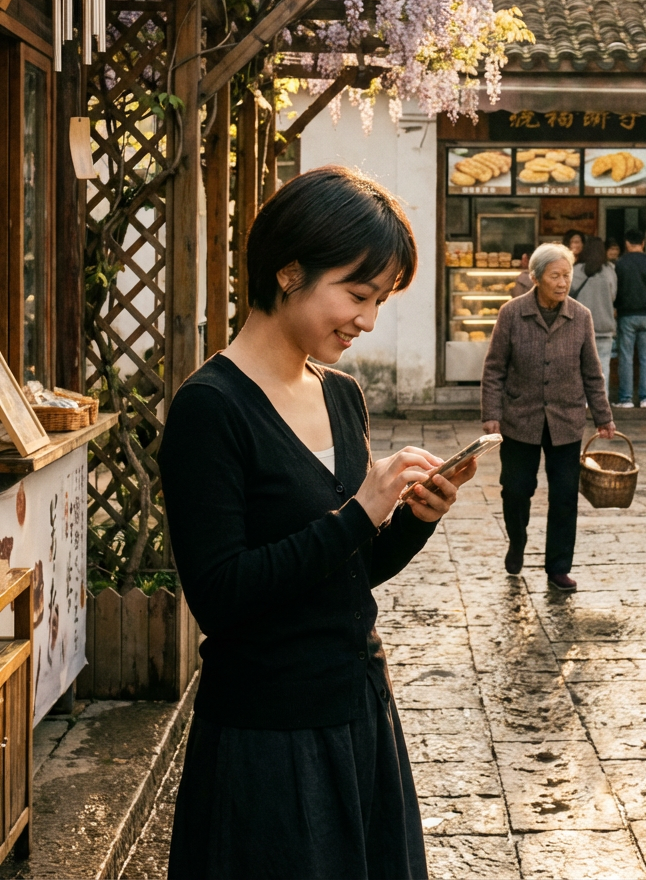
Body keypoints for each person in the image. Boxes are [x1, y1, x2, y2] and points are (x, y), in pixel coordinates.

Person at [159, 166, 477, 880]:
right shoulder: (209, 409)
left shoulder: (341, 395)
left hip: (358, 709)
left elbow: (347, 571)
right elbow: (220, 596)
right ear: (289, 271)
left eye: (380, 301)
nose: (366, 320)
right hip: (268, 736)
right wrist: (359, 511)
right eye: (358, 294)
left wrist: (411, 521)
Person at [482, 243, 615, 593]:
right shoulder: (512, 313)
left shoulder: (581, 316)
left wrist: (603, 417)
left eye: (566, 275)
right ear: (536, 278)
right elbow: (494, 368)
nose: (562, 282)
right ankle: (517, 541)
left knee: (565, 495)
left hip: (566, 420)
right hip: (519, 418)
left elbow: (592, 373)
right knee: (515, 490)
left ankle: (558, 567)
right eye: (555, 275)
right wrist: (491, 415)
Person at [613, 227, 646, 409]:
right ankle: (645, 399)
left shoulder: (620, 264)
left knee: (626, 358)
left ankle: (626, 399)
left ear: (626, 244)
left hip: (626, 315)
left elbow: (615, 290)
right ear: (643, 243)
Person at [571, 236, 617, 381]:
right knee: (603, 368)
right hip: (604, 326)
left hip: (580, 328)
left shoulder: (576, 270)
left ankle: (582, 402)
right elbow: (613, 296)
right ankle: (601, 401)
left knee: (580, 368)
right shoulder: (609, 271)